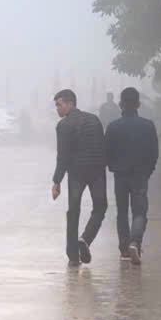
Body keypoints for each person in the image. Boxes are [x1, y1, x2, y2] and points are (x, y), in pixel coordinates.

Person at [51, 89, 107, 266]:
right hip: (97, 170)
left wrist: (57, 180)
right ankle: (85, 239)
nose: (57, 109)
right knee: (100, 206)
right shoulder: (94, 119)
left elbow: (63, 155)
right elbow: (103, 144)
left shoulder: (64, 125)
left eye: (59, 104)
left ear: (70, 103)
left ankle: (73, 255)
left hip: (76, 172)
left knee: (73, 210)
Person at [105, 87, 158, 264]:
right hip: (140, 175)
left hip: (120, 175)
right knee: (139, 211)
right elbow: (154, 153)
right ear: (138, 104)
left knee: (121, 212)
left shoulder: (113, 127)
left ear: (120, 104)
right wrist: (148, 170)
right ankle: (135, 241)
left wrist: (113, 167)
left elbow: (107, 152)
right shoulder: (148, 125)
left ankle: (123, 250)